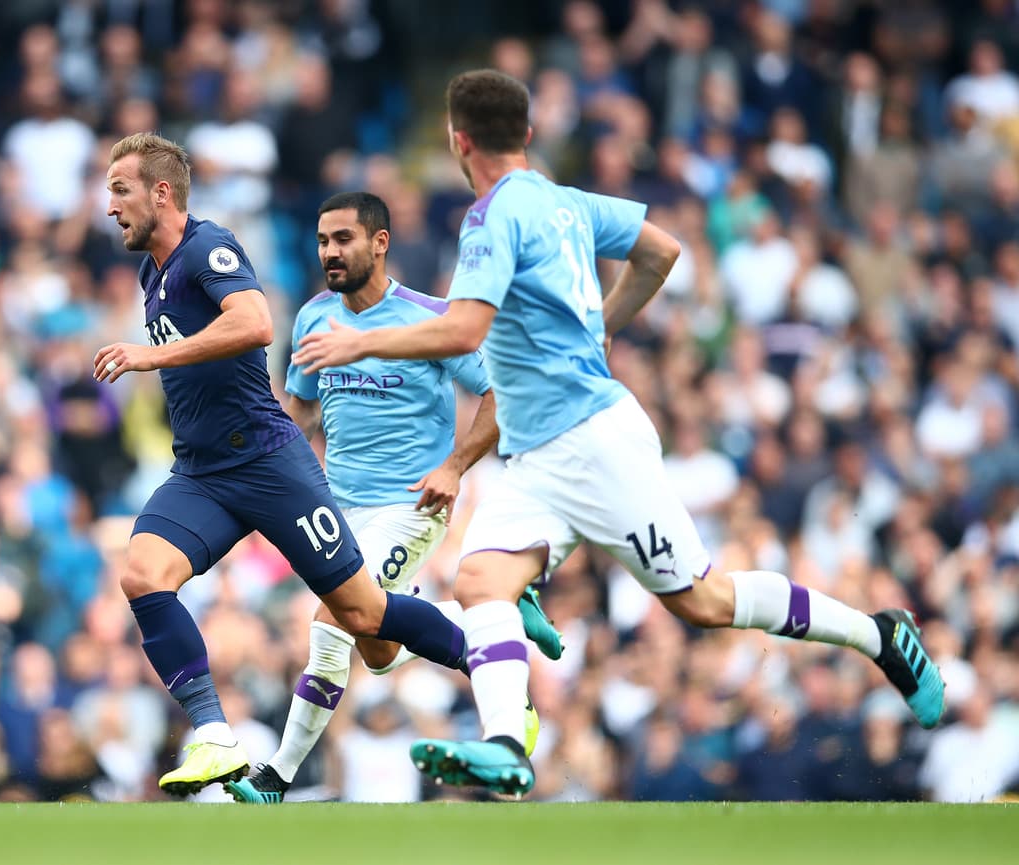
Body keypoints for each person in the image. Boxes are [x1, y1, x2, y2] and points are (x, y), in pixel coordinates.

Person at [292, 70, 946, 797]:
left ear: (458, 140)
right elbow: (662, 250)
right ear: (526, 134)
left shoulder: (489, 218)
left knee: (704, 601)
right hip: (538, 452)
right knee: (481, 581)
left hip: (591, 440)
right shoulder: (568, 202)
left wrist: (359, 343)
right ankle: (506, 745)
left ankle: (879, 634)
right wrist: (604, 323)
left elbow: (465, 329)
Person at [95, 133, 478, 796]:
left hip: (267, 462)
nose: (110, 207)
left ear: (161, 192)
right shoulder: (152, 273)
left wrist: (150, 355)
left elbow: (255, 324)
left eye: (121, 190)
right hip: (202, 473)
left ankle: (490, 650)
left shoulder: (208, 248)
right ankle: (214, 734)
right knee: (142, 574)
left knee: (364, 620)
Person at [225, 192, 562, 804]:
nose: (329, 252)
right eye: (322, 241)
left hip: (410, 506)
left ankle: (275, 776)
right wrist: (267, 478)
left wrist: (454, 467)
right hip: (335, 511)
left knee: (332, 624)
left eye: (343, 239)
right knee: (379, 650)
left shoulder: (431, 319)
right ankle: (496, 619)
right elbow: (300, 410)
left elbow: (500, 396)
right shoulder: (312, 318)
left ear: (380, 243)